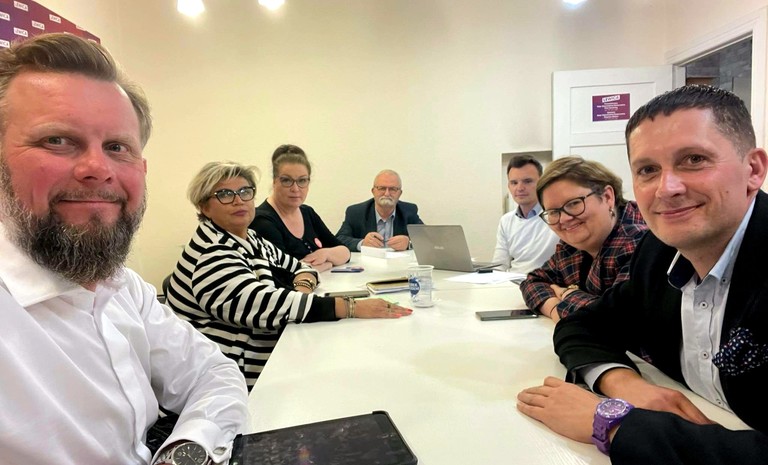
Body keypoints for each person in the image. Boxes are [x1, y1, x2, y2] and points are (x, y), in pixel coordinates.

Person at [0, 33, 247, 465]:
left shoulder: (123, 287)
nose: (97, 168)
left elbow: (215, 372)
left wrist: (185, 453)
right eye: (57, 140)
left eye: (117, 147)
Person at [516, 85, 768, 464]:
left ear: (754, 169)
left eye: (694, 159)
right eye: (648, 170)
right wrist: (625, 384)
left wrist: (613, 423)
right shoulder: (658, 253)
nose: (667, 188)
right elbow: (581, 326)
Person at [166, 161, 412, 389]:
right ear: (204, 206)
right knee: (353, 370)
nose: (238, 201)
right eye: (225, 194)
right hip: (228, 375)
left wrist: (301, 290)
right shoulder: (212, 251)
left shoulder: (249, 238)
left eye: (245, 192)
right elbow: (268, 305)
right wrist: (351, 307)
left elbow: (301, 267)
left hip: (259, 351)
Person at [519, 156, 647, 322]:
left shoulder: (640, 243)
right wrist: (553, 308)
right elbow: (533, 281)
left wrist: (566, 294)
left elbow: (618, 320)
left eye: (573, 203)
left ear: (607, 197)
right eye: (553, 212)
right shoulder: (570, 248)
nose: (564, 219)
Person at [249, 144, 350, 272]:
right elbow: (284, 272)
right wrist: (328, 264)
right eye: (287, 180)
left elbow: (345, 252)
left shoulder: (307, 212)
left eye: (302, 181)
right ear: (274, 181)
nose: (295, 189)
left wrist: (325, 254)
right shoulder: (262, 221)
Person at [492, 155, 560, 274]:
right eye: (514, 182)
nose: (520, 188)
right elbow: (499, 265)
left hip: (545, 282)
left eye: (527, 181)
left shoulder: (557, 216)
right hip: (512, 281)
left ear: (541, 183)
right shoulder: (506, 221)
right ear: (509, 186)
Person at [336, 169, 423, 252]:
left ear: (399, 193)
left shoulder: (409, 211)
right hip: (368, 262)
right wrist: (362, 243)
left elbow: (426, 239)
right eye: (382, 188)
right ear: (373, 191)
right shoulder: (356, 212)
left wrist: (409, 243)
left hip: (399, 261)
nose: (387, 193)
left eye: (393, 189)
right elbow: (339, 239)